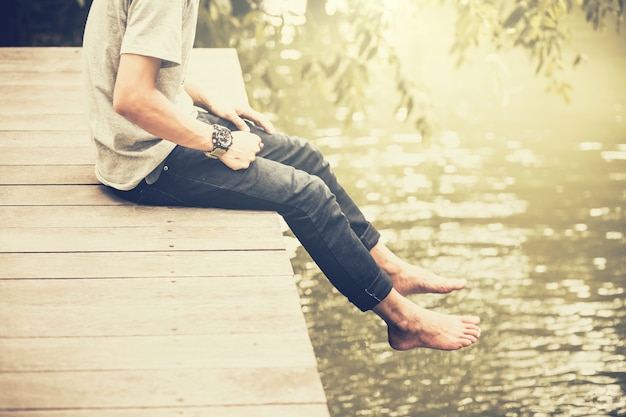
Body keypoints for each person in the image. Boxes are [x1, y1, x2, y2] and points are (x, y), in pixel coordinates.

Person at [82, 0, 481, 351]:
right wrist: (220, 141)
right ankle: (404, 322)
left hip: (163, 132)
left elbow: (137, 59)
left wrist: (206, 100)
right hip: (147, 161)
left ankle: (389, 268)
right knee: (308, 195)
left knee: (307, 157)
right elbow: (132, 96)